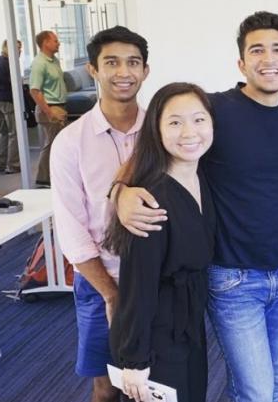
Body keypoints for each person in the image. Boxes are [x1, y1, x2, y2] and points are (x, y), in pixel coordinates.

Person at [116, 11, 278, 401]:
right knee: (256, 392)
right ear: (241, 63)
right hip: (234, 278)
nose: (268, 59)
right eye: (256, 50)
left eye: (277, 50)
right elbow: (150, 150)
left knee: (274, 386)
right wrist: (120, 192)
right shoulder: (216, 110)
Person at [52, 26, 151, 402]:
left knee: (160, 380)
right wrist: (112, 295)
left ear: (145, 70)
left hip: (158, 278)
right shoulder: (70, 143)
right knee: (106, 385)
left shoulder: (162, 131)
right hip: (101, 280)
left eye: (132, 62)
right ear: (93, 69)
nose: (123, 72)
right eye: (111, 62)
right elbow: (72, 231)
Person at [106, 83, 215, 402]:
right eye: (175, 122)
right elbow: (137, 288)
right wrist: (135, 362)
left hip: (188, 325)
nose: (189, 132)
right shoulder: (151, 201)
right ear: (156, 129)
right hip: (154, 338)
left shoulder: (200, 176)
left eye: (198, 119)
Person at [30, 30, 68, 186]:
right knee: (52, 144)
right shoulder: (39, 63)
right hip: (50, 108)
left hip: (60, 106)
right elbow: (34, 90)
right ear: (45, 43)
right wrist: (49, 111)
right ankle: (43, 178)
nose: (58, 43)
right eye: (55, 40)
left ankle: (53, 176)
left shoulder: (54, 60)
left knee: (59, 144)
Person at [0, 39, 22, 174]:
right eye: (17, 47)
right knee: (14, 132)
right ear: (7, 48)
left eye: (20, 48)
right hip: (6, 101)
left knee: (5, 132)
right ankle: (13, 165)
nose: (19, 51)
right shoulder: (8, 63)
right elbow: (13, 83)